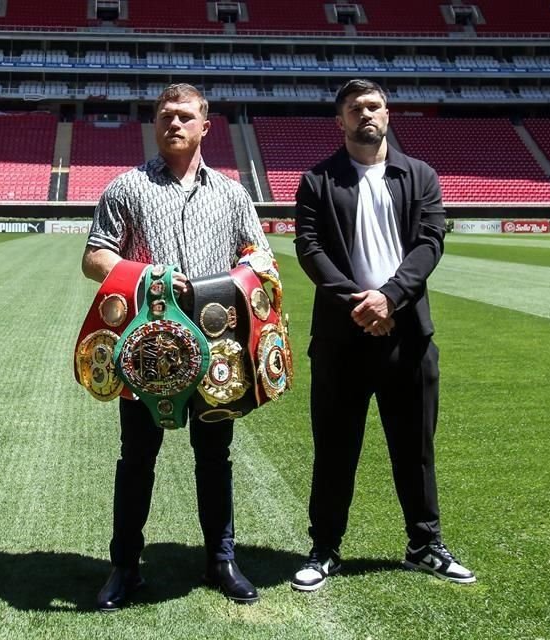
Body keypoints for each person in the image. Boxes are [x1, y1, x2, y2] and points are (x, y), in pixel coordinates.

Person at [82, 83, 270, 609]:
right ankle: (124, 567)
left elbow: (260, 259)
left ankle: (221, 561)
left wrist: (234, 280)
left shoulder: (233, 194)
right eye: (166, 116)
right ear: (155, 122)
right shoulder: (126, 188)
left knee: (215, 457)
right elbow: (95, 258)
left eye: (185, 116)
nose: (174, 124)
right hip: (147, 350)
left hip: (219, 353)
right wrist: (154, 275)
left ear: (205, 126)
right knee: (136, 458)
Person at [290, 79, 476, 592]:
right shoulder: (316, 180)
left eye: (373, 106)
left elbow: (430, 243)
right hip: (341, 338)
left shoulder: (420, 176)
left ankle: (424, 545)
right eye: (355, 109)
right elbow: (309, 248)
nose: (365, 115)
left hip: (408, 337)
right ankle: (324, 548)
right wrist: (361, 303)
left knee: (415, 448)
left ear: (388, 114)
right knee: (334, 448)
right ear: (340, 121)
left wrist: (389, 298)